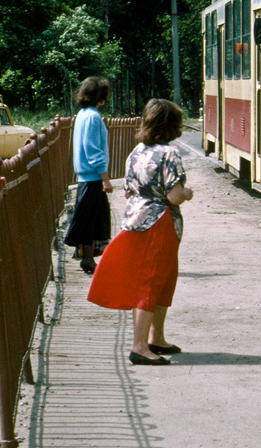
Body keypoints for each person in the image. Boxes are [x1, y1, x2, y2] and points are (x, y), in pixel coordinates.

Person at [87, 98, 194, 366]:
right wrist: (188, 193)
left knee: (161, 278)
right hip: (160, 222)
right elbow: (175, 195)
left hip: (136, 218)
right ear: (172, 125)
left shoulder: (136, 151)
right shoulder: (170, 153)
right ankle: (140, 346)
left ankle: (157, 338)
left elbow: (128, 190)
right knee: (152, 280)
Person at [64, 77, 113, 275]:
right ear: (100, 95)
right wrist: (105, 177)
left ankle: (87, 259)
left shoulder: (82, 115)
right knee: (93, 221)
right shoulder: (93, 117)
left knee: (89, 221)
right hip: (92, 177)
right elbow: (92, 149)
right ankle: (87, 258)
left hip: (85, 176)